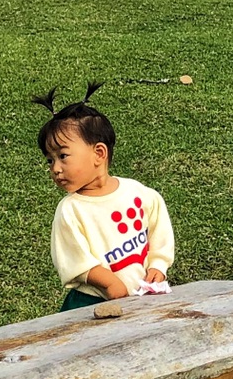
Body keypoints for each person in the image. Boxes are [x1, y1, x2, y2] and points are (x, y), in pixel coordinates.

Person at [36, 87, 174, 312]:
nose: (56, 169)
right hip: (90, 303)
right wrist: (109, 282)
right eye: (50, 161)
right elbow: (74, 260)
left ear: (99, 154)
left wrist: (158, 265)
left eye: (63, 156)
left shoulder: (137, 193)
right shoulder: (71, 210)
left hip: (142, 297)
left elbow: (159, 230)